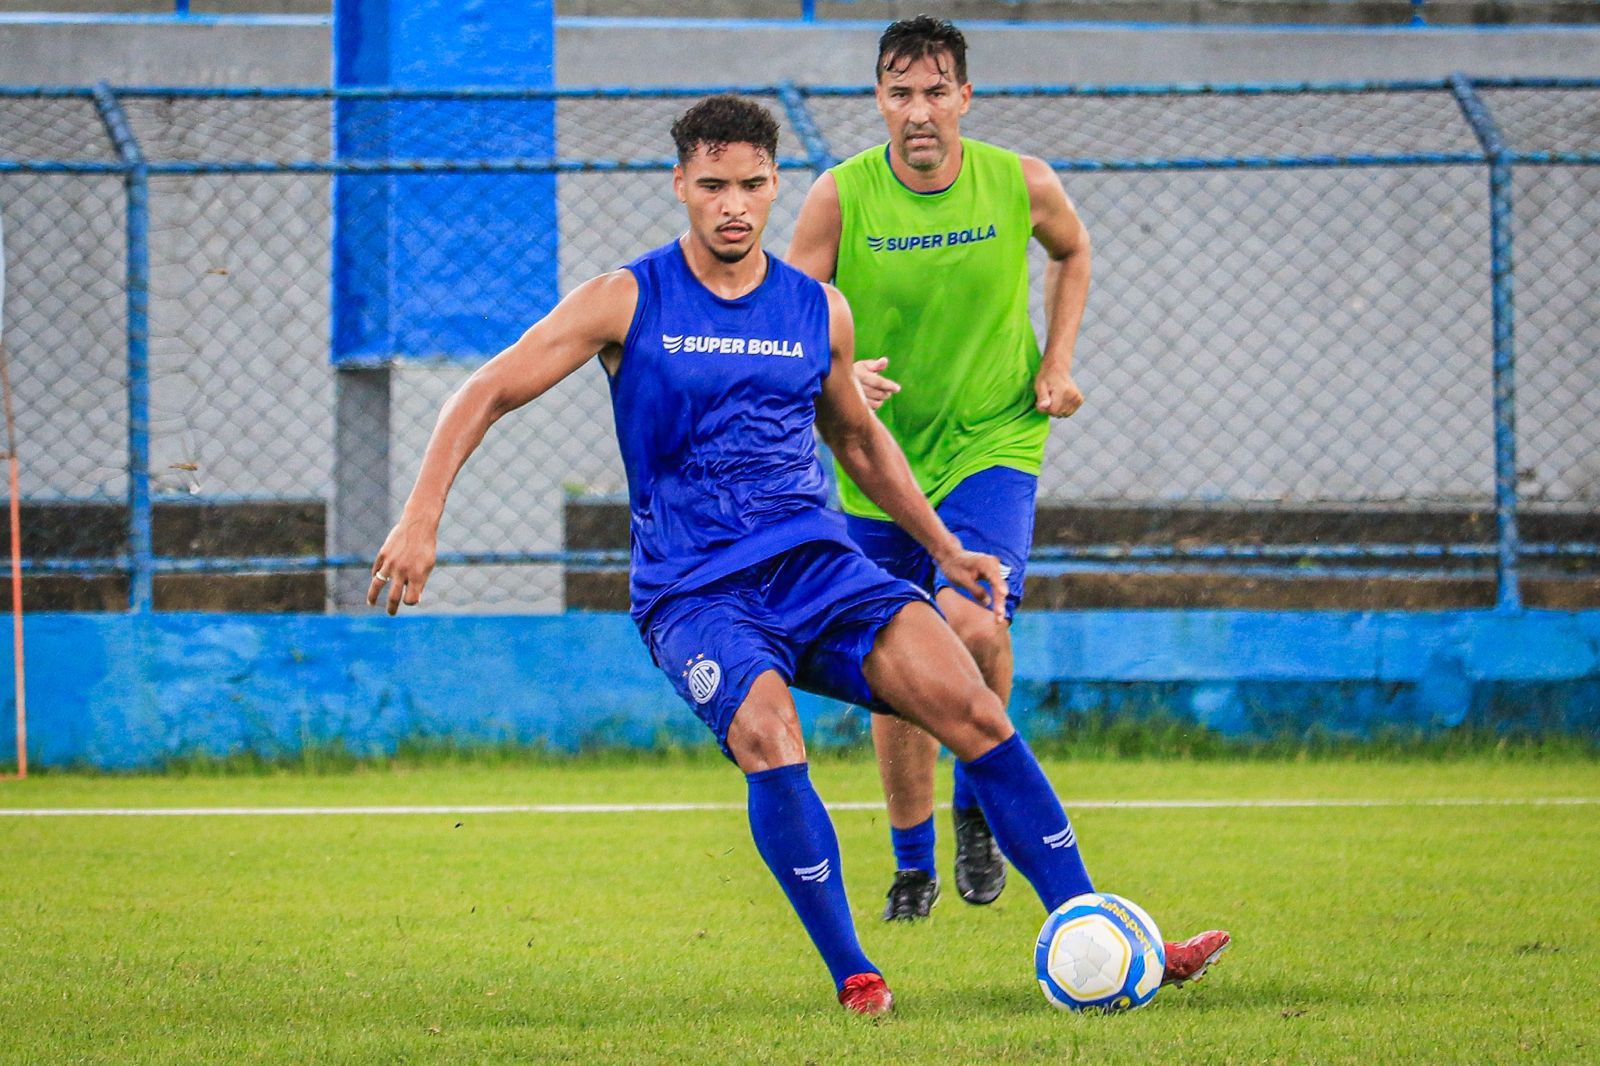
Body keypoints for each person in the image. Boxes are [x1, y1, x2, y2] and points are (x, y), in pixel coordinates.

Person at [369, 95, 1224, 1015]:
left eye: (750, 186)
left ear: (775, 185)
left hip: (819, 567)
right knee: (772, 735)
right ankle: (857, 974)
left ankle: (1102, 931)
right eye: (712, 187)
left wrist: (944, 547)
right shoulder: (629, 297)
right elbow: (488, 388)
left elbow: (856, 441)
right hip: (696, 591)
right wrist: (421, 516)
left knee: (971, 706)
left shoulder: (817, 307)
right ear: (681, 186)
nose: (732, 205)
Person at [785, 14, 1090, 923]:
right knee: (896, 659)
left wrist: (1059, 362)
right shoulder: (840, 197)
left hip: (993, 442)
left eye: (935, 91)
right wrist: (835, 373)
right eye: (900, 91)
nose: (918, 110)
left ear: (965, 95)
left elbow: (1072, 252)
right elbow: (785, 313)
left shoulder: (1019, 182)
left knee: (973, 623)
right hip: (874, 461)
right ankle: (912, 865)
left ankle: (978, 804)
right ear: (880, 99)